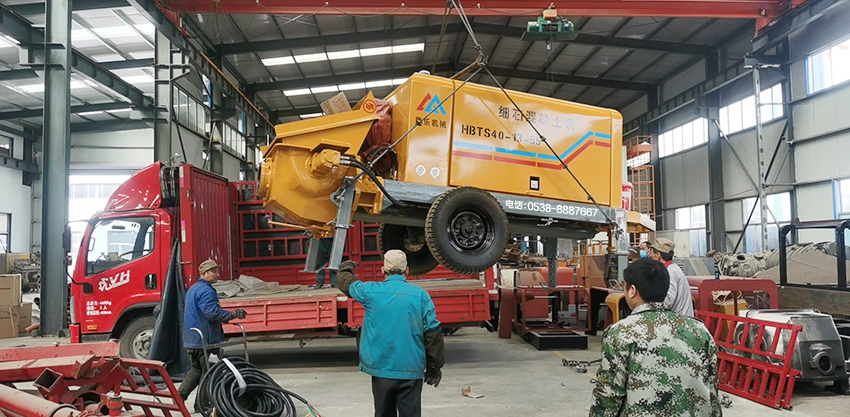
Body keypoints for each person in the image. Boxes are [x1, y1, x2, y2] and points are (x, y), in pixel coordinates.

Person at [590, 258, 721, 417]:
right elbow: (712, 392)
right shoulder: (699, 330)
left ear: (632, 291)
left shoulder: (621, 332)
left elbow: (609, 395)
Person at [337, 250, 445, 417]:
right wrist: (434, 367)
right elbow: (433, 333)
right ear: (407, 270)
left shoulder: (371, 292)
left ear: (383, 270)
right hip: (411, 368)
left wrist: (346, 267)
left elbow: (346, 283)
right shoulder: (421, 296)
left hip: (382, 368)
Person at [178, 259, 247, 401]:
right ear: (204, 273)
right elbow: (211, 312)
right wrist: (232, 314)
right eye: (214, 272)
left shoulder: (193, 289)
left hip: (193, 339)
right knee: (210, 372)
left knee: (197, 370)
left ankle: (179, 397)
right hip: (206, 340)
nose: (217, 275)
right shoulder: (206, 290)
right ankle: (203, 405)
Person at [648, 238, 694, 317]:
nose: (649, 255)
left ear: (658, 255)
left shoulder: (670, 273)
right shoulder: (672, 269)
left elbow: (667, 301)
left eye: (651, 253)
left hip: (680, 321)